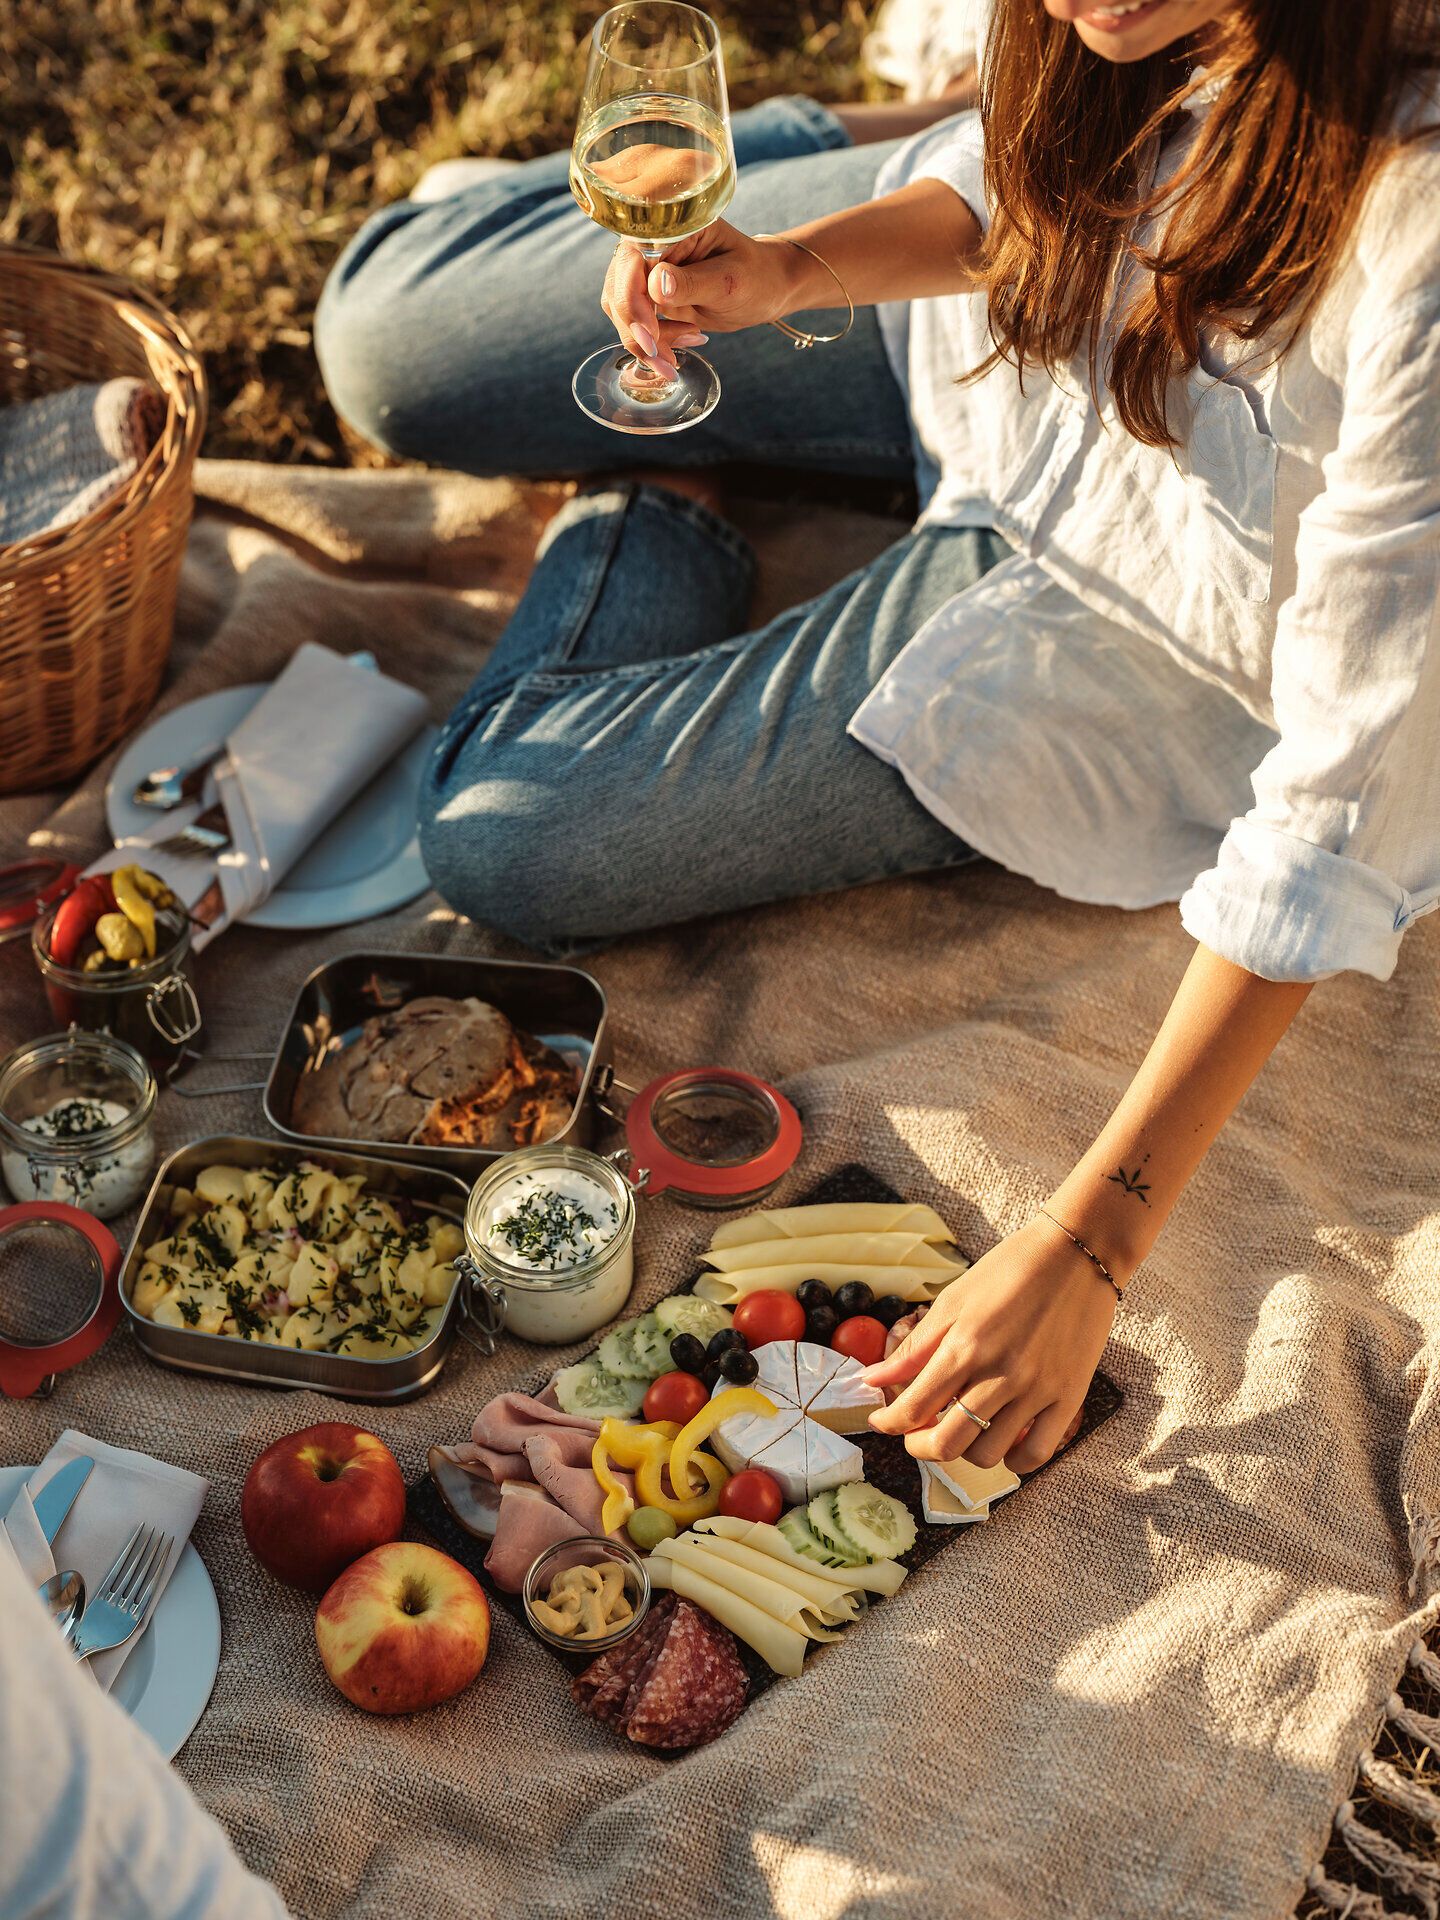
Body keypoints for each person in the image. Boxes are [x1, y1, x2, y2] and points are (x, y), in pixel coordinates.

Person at [315, 0, 1440, 1472]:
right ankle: (803, 154)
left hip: (1132, 627)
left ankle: (661, 502)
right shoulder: (1120, 35)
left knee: (501, 831)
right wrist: (789, 267)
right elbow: (1017, 195)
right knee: (385, 339)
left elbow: (1343, 809)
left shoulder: (1413, 204)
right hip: (984, 370)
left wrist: (1090, 1245)